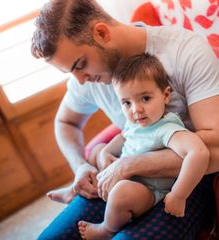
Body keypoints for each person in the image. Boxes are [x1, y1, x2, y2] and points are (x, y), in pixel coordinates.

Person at [31, 0, 219, 239]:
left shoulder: (184, 50)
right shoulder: (86, 79)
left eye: (80, 65)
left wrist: (129, 164)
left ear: (101, 33)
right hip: (120, 180)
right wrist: (80, 166)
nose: (80, 80)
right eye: (71, 72)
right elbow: (65, 123)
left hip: (185, 183)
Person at [74, 53, 209, 239]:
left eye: (145, 98)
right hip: (124, 176)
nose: (136, 109)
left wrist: (179, 194)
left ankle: (107, 229)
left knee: (121, 193)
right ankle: (71, 191)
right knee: (98, 150)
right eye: (127, 103)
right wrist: (105, 152)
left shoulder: (166, 128)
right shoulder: (135, 123)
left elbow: (199, 152)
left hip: (148, 191)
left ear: (166, 95)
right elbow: (123, 136)